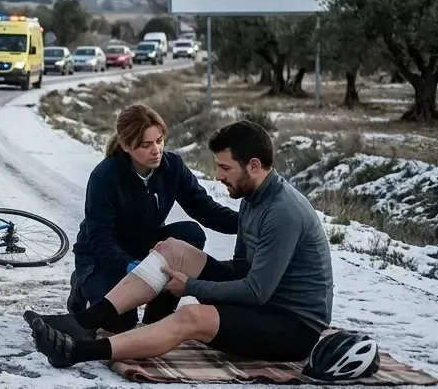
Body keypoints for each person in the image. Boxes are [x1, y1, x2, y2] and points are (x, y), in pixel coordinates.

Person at [27, 119, 334, 368]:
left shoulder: (282, 212)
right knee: (172, 248)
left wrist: (191, 287)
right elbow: (241, 268)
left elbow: (255, 291)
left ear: (253, 165)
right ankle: (83, 321)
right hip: (264, 302)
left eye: (225, 168)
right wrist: (185, 277)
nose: (218, 176)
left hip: (290, 326)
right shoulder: (253, 198)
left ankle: (77, 352)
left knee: (189, 317)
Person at [51, 104, 239, 334]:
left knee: (191, 233)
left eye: (159, 140)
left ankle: (159, 311)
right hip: (103, 256)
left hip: (145, 244)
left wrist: (249, 223)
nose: (156, 150)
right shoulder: (105, 177)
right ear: (127, 146)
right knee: (121, 324)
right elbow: (100, 238)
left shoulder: (173, 167)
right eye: (146, 145)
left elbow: (205, 209)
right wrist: (128, 265)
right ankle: (81, 285)